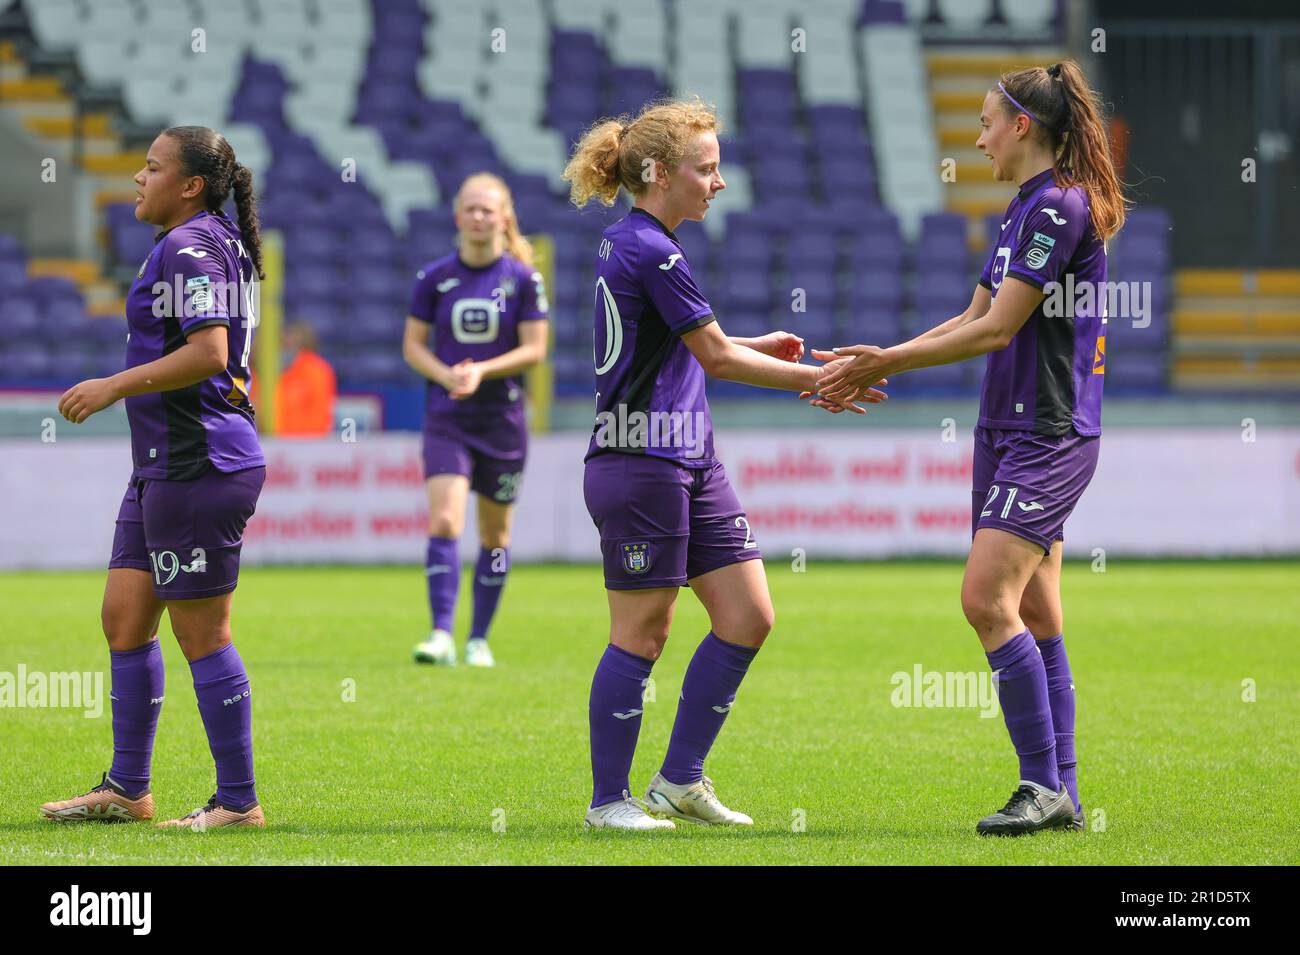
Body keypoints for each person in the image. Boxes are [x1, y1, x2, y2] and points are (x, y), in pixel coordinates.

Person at [814, 60, 1126, 835]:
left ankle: (1039, 783)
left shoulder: (1057, 209)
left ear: (1023, 126)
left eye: (988, 121)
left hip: (1048, 435)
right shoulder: (1025, 208)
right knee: (1035, 610)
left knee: (984, 599)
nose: (978, 137)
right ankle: (1065, 795)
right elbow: (971, 314)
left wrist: (884, 362)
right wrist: (876, 357)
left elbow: (997, 329)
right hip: (1007, 431)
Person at [562, 98, 886, 829]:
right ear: (660, 172)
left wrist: (752, 344)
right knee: (641, 633)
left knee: (747, 615)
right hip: (640, 456)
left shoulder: (641, 241)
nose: (720, 182)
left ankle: (679, 779)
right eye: (707, 168)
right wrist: (826, 378)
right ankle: (607, 801)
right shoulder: (653, 246)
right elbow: (711, 354)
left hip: (688, 455)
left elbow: (686, 340)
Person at [43, 126, 269, 830]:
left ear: (190, 184)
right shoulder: (210, 240)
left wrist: (114, 385)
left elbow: (210, 351)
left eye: (152, 167)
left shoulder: (190, 245)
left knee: (203, 633)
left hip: (199, 460)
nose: (138, 178)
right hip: (164, 465)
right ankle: (128, 787)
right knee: (124, 617)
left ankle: (238, 801)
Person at [402, 173, 550, 668]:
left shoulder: (524, 279)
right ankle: (441, 633)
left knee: (495, 537)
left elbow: (535, 349)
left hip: (503, 422)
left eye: (489, 209)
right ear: (457, 216)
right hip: (448, 417)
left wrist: (480, 370)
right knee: (444, 518)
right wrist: (447, 375)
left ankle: (478, 637)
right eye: (471, 209)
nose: (480, 217)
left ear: (504, 217)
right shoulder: (434, 278)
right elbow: (412, 346)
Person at [274, 320, 336, 436]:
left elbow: (318, 410)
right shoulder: (288, 370)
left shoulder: (315, 369)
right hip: (293, 439)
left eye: (287, 343)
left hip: (304, 440)